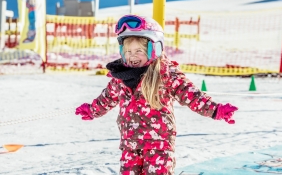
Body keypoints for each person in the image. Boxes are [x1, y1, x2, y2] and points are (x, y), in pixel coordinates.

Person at [75, 14, 238, 175]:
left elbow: (191, 95)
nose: (132, 56)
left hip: (159, 146)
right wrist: (92, 110)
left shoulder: (165, 74)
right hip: (130, 145)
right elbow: (107, 98)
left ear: (155, 48)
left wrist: (216, 110)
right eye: (128, 51)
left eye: (139, 50)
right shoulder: (121, 78)